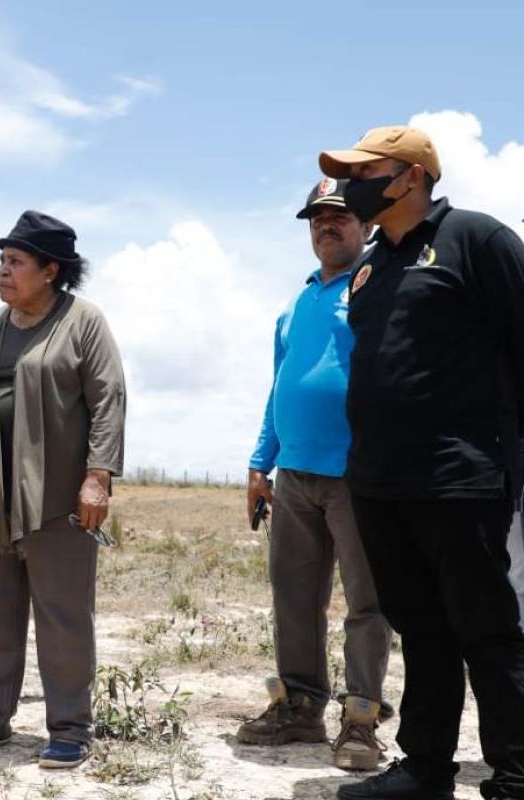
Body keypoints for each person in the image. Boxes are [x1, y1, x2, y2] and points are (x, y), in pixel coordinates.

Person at [320, 126, 524, 800]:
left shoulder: (477, 239)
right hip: (381, 482)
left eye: (364, 171)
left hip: (459, 478)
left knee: (487, 632)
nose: (352, 186)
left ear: (410, 175)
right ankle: (426, 769)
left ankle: (516, 775)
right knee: (422, 630)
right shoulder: (373, 263)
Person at [0, 210, 125, 769]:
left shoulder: (83, 322)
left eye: (16, 261)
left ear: (51, 270)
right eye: (2, 260)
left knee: (63, 616)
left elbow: (109, 401)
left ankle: (70, 728)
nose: (4, 270)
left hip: (58, 503)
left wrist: (97, 476)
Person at [238, 179, 392, 770]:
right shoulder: (296, 303)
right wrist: (260, 460)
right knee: (294, 598)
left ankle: (360, 720)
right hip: (296, 476)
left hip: (359, 475)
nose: (327, 226)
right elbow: (279, 388)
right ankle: (301, 708)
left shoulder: (378, 289)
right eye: (317, 218)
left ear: (367, 225)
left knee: (366, 603)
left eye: (341, 216)